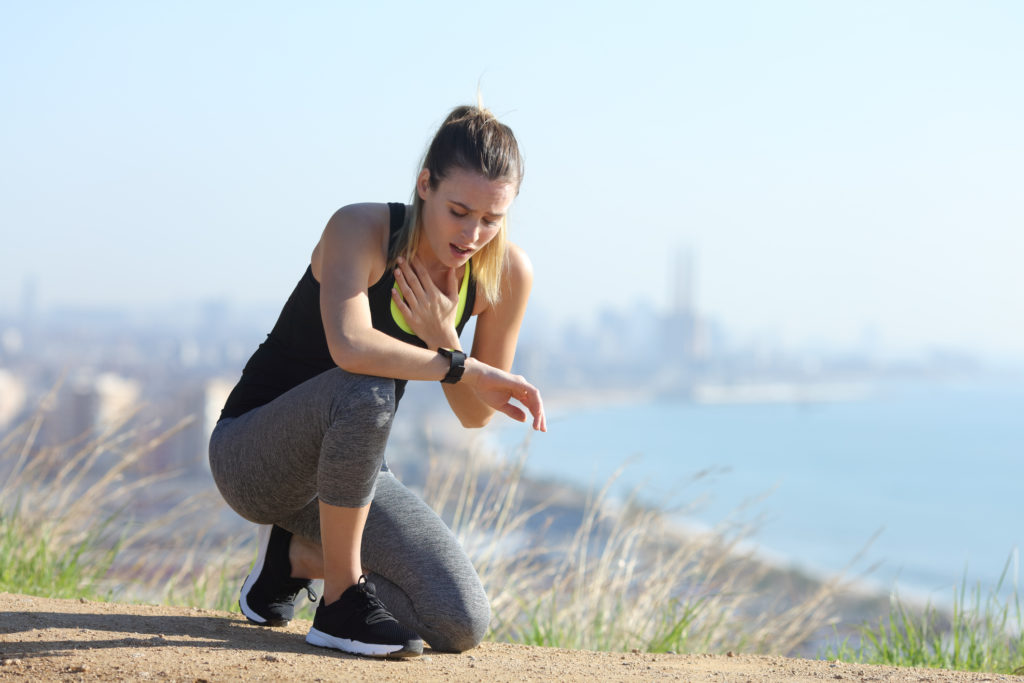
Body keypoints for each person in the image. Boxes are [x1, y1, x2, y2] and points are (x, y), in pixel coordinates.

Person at [208, 105, 546, 660]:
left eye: (492, 219)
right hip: (253, 457)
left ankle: (292, 559)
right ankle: (339, 604)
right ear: (424, 185)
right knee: (365, 387)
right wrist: (464, 367)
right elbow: (351, 347)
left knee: (461, 621)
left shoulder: (504, 273)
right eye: (458, 210)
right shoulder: (360, 229)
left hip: (352, 474)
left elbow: (474, 415)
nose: (473, 234)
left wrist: (447, 340)